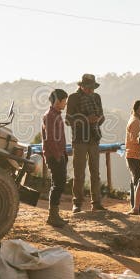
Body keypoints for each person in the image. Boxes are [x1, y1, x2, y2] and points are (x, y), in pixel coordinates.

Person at [66, 74, 106, 213]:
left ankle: (96, 202)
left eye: (92, 88)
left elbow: (102, 116)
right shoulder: (73, 98)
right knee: (79, 173)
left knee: (95, 173)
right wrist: (85, 119)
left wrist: (97, 119)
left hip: (94, 138)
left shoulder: (96, 98)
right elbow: (68, 119)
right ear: (81, 86)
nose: (91, 90)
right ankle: (77, 203)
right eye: (88, 88)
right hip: (79, 140)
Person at [42, 89, 70, 226]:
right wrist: (58, 156)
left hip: (59, 155)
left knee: (59, 184)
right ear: (58, 101)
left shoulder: (55, 115)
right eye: (64, 101)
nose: (65, 104)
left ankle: (54, 215)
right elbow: (50, 139)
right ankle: (52, 216)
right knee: (57, 184)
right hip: (54, 156)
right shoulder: (50, 116)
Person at [124, 100, 140, 212]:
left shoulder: (135, 119)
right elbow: (135, 138)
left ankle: (137, 206)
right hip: (134, 155)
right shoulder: (136, 121)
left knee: (135, 180)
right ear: (139, 108)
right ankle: (138, 207)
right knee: (138, 181)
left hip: (133, 154)